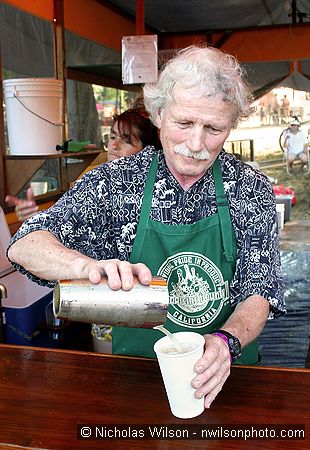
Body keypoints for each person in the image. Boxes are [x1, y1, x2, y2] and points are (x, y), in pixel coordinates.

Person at [7, 45, 285, 410]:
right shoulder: (116, 183)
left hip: (225, 376)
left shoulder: (248, 188)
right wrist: (87, 267)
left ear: (231, 125)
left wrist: (226, 341)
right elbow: (24, 245)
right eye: (184, 123)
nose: (196, 144)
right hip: (134, 378)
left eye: (214, 128)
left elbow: (260, 290)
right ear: (159, 114)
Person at [5, 105, 159, 221]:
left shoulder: (157, 193)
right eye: (112, 137)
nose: (114, 145)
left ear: (147, 152)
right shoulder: (94, 184)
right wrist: (35, 217)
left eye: (126, 141)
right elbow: (67, 222)